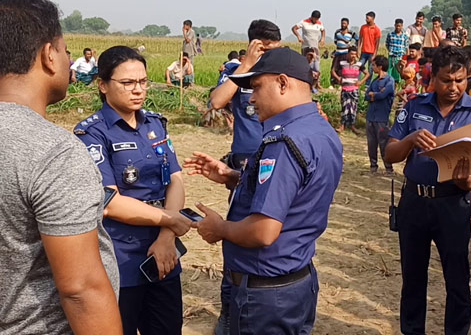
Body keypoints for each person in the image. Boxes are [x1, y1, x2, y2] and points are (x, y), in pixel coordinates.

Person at [0, 0, 121, 334]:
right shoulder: (56, 152)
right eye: (65, 49)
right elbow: (81, 288)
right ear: (48, 55)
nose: (69, 58)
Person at [184, 47, 343, 334]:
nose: (252, 98)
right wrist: (232, 177)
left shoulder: (284, 141)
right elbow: (297, 192)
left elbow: (263, 231)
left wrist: (219, 228)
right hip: (295, 282)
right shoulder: (320, 129)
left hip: (264, 295)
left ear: (283, 83)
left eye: (257, 87)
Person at [74, 46, 194, 335]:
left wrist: (167, 237)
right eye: (127, 83)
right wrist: (170, 221)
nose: (138, 90)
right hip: (121, 258)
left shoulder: (154, 123)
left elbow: (175, 179)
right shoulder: (92, 133)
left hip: (163, 255)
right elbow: (110, 201)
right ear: (102, 85)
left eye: (142, 82)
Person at [385, 45, 471, 335]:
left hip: (453, 203)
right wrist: (411, 139)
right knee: (413, 278)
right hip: (415, 202)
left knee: (457, 279)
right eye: (447, 80)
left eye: (460, 80)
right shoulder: (414, 106)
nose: (454, 87)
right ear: (433, 78)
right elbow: (390, 153)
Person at [210, 19, 281, 170]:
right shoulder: (236, 72)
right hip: (245, 155)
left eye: (277, 50)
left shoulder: (284, 73)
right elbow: (216, 102)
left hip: (276, 152)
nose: (272, 56)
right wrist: (246, 65)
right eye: (267, 50)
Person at [365, 55, 395, 175]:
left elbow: (383, 96)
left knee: (383, 143)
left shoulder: (389, 81)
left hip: (381, 118)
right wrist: (374, 95)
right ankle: (373, 165)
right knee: (371, 143)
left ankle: (388, 167)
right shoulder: (374, 81)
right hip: (371, 117)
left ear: (380, 66)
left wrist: (374, 95)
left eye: (373, 65)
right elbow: (367, 95)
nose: (372, 68)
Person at [335, 46, 368, 133]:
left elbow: (367, 73)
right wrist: (339, 79)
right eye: (351, 54)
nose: (353, 56)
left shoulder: (359, 64)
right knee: (344, 107)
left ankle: (353, 126)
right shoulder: (342, 63)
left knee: (353, 107)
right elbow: (333, 71)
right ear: (348, 54)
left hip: (354, 89)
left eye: (355, 54)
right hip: (345, 88)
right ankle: (342, 125)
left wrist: (361, 82)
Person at [332, 17, 358, 87]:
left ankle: (343, 83)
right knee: (334, 68)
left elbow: (357, 39)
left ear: (347, 24)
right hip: (338, 52)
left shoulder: (351, 33)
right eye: (342, 23)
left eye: (344, 23)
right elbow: (335, 41)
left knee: (343, 68)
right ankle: (333, 83)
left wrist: (353, 46)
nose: (343, 25)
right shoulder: (337, 32)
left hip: (346, 53)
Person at [358, 11, 381, 86]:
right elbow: (360, 39)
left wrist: (375, 53)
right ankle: (357, 82)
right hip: (363, 51)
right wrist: (358, 49)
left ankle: (367, 85)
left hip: (371, 52)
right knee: (359, 66)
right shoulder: (363, 27)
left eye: (367, 18)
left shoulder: (377, 29)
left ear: (373, 18)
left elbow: (377, 43)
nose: (366, 19)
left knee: (370, 69)